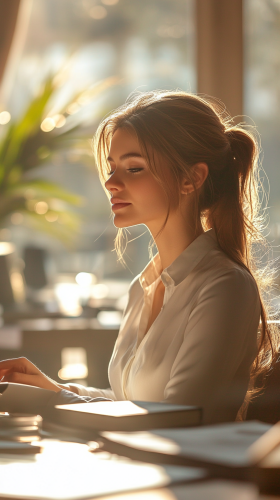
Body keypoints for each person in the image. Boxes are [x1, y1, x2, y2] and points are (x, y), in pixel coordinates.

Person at [0, 91, 278, 423]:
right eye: (112, 167)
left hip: (191, 474)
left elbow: (175, 419)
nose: (111, 182)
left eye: (133, 168)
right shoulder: (143, 286)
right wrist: (49, 387)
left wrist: (54, 401)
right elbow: (127, 402)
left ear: (192, 178)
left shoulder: (224, 286)